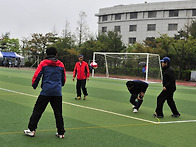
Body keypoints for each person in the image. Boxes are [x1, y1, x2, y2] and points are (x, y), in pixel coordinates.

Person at [24, 47, 66, 138]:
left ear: (46, 54)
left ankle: (31, 130)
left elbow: (37, 75)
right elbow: (63, 78)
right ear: (56, 54)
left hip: (46, 91)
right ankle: (61, 132)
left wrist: (34, 85)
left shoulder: (43, 63)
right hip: (57, 92)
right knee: (58, 113)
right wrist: (60, 85)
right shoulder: (61, 64)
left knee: (37, 111)